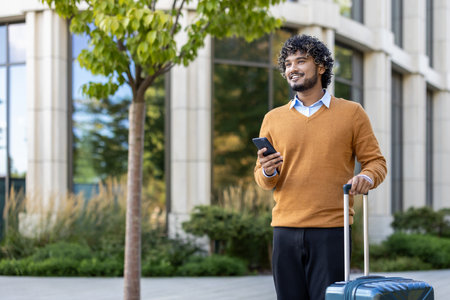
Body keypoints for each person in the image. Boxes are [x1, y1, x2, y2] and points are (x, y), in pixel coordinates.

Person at [254, 34, 387, 300]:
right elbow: (263, 178)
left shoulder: (352, 113)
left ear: (321, 67)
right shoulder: (273, 118)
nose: (293, 68)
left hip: (332, 231)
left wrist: (366, 177)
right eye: (288, 64)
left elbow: (376, 162)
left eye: (301, 61)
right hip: (284, 230)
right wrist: (268, 170)